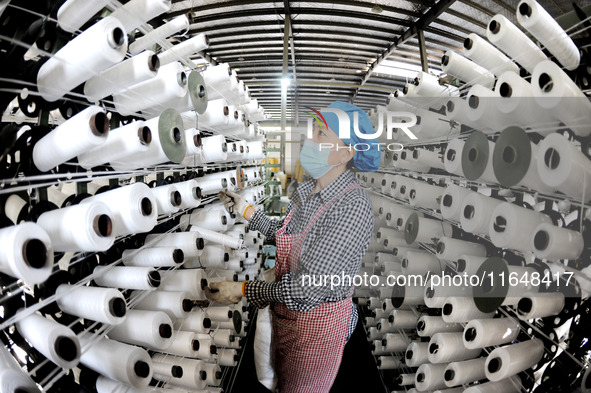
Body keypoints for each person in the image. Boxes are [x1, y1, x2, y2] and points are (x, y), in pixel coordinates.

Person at [205, 101, 381, 393]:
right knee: (283, 381)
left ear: (347, 153)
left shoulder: (353, 207)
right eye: (312, 131)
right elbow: (287, 235)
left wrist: (244, 290)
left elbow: (307, 289)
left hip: (316, 329)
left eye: (321, 134)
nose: (309, 139)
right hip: (291, 319)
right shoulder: (310, 191)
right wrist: (246, 211)